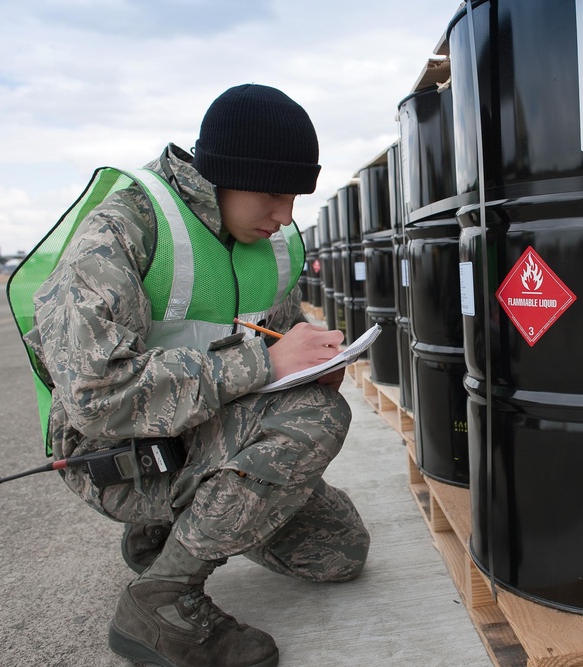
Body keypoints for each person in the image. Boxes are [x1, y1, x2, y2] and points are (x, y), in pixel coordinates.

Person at [19, 83, 370, 667]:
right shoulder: (123, 231)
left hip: (200, 431)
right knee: (317, 419)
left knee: (339, 553)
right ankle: (161, 600)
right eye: (273, 193)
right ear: (223, 175)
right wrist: (265, 364)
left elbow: (272, 340)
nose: (285, 215)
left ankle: (168, 528)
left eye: (296, 195)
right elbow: (94, 396)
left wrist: (308, 363)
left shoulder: (271, 243)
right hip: (117, 453)